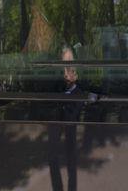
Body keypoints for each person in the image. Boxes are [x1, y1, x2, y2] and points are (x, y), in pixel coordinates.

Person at [48, 47, 82, 191]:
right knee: (53, 158)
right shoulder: (55, 89)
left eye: (70, 63)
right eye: (64, 64)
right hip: (57, 126)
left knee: (72, 161)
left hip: (72, 127)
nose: (67, 69)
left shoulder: (81, 92)